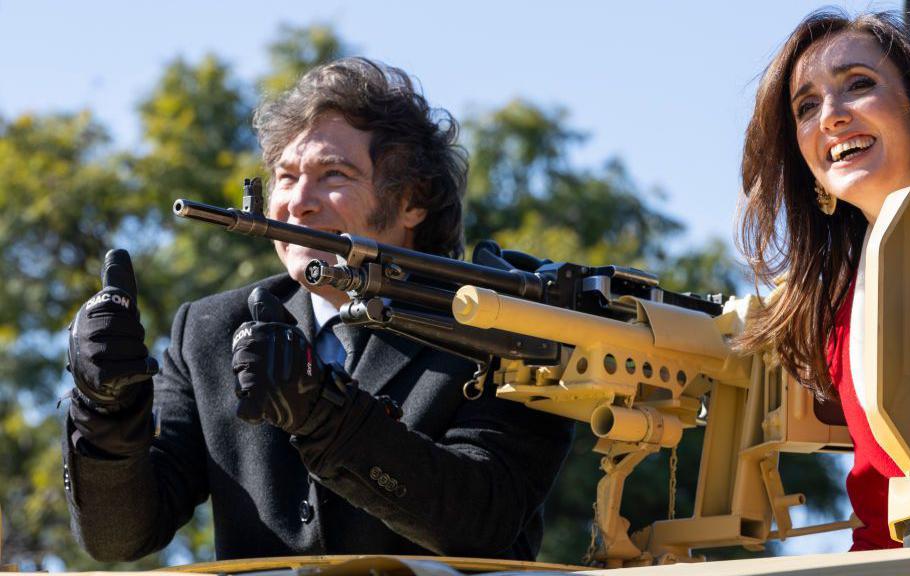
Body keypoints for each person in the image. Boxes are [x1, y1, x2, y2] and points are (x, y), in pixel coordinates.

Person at [63, 57, 573, 562]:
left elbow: (484, 519)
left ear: (413, 201)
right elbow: (119, 537)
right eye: (285, 178)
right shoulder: (211, 330)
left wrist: (322, 414)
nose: (298, 203)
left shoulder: (510, 324)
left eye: (333, 174)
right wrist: (106, 407)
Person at [735, 10, 910, 551]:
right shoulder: (835, 312)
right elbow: (878, 506)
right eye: (807, 107)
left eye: (858, 85)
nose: (832, 117)